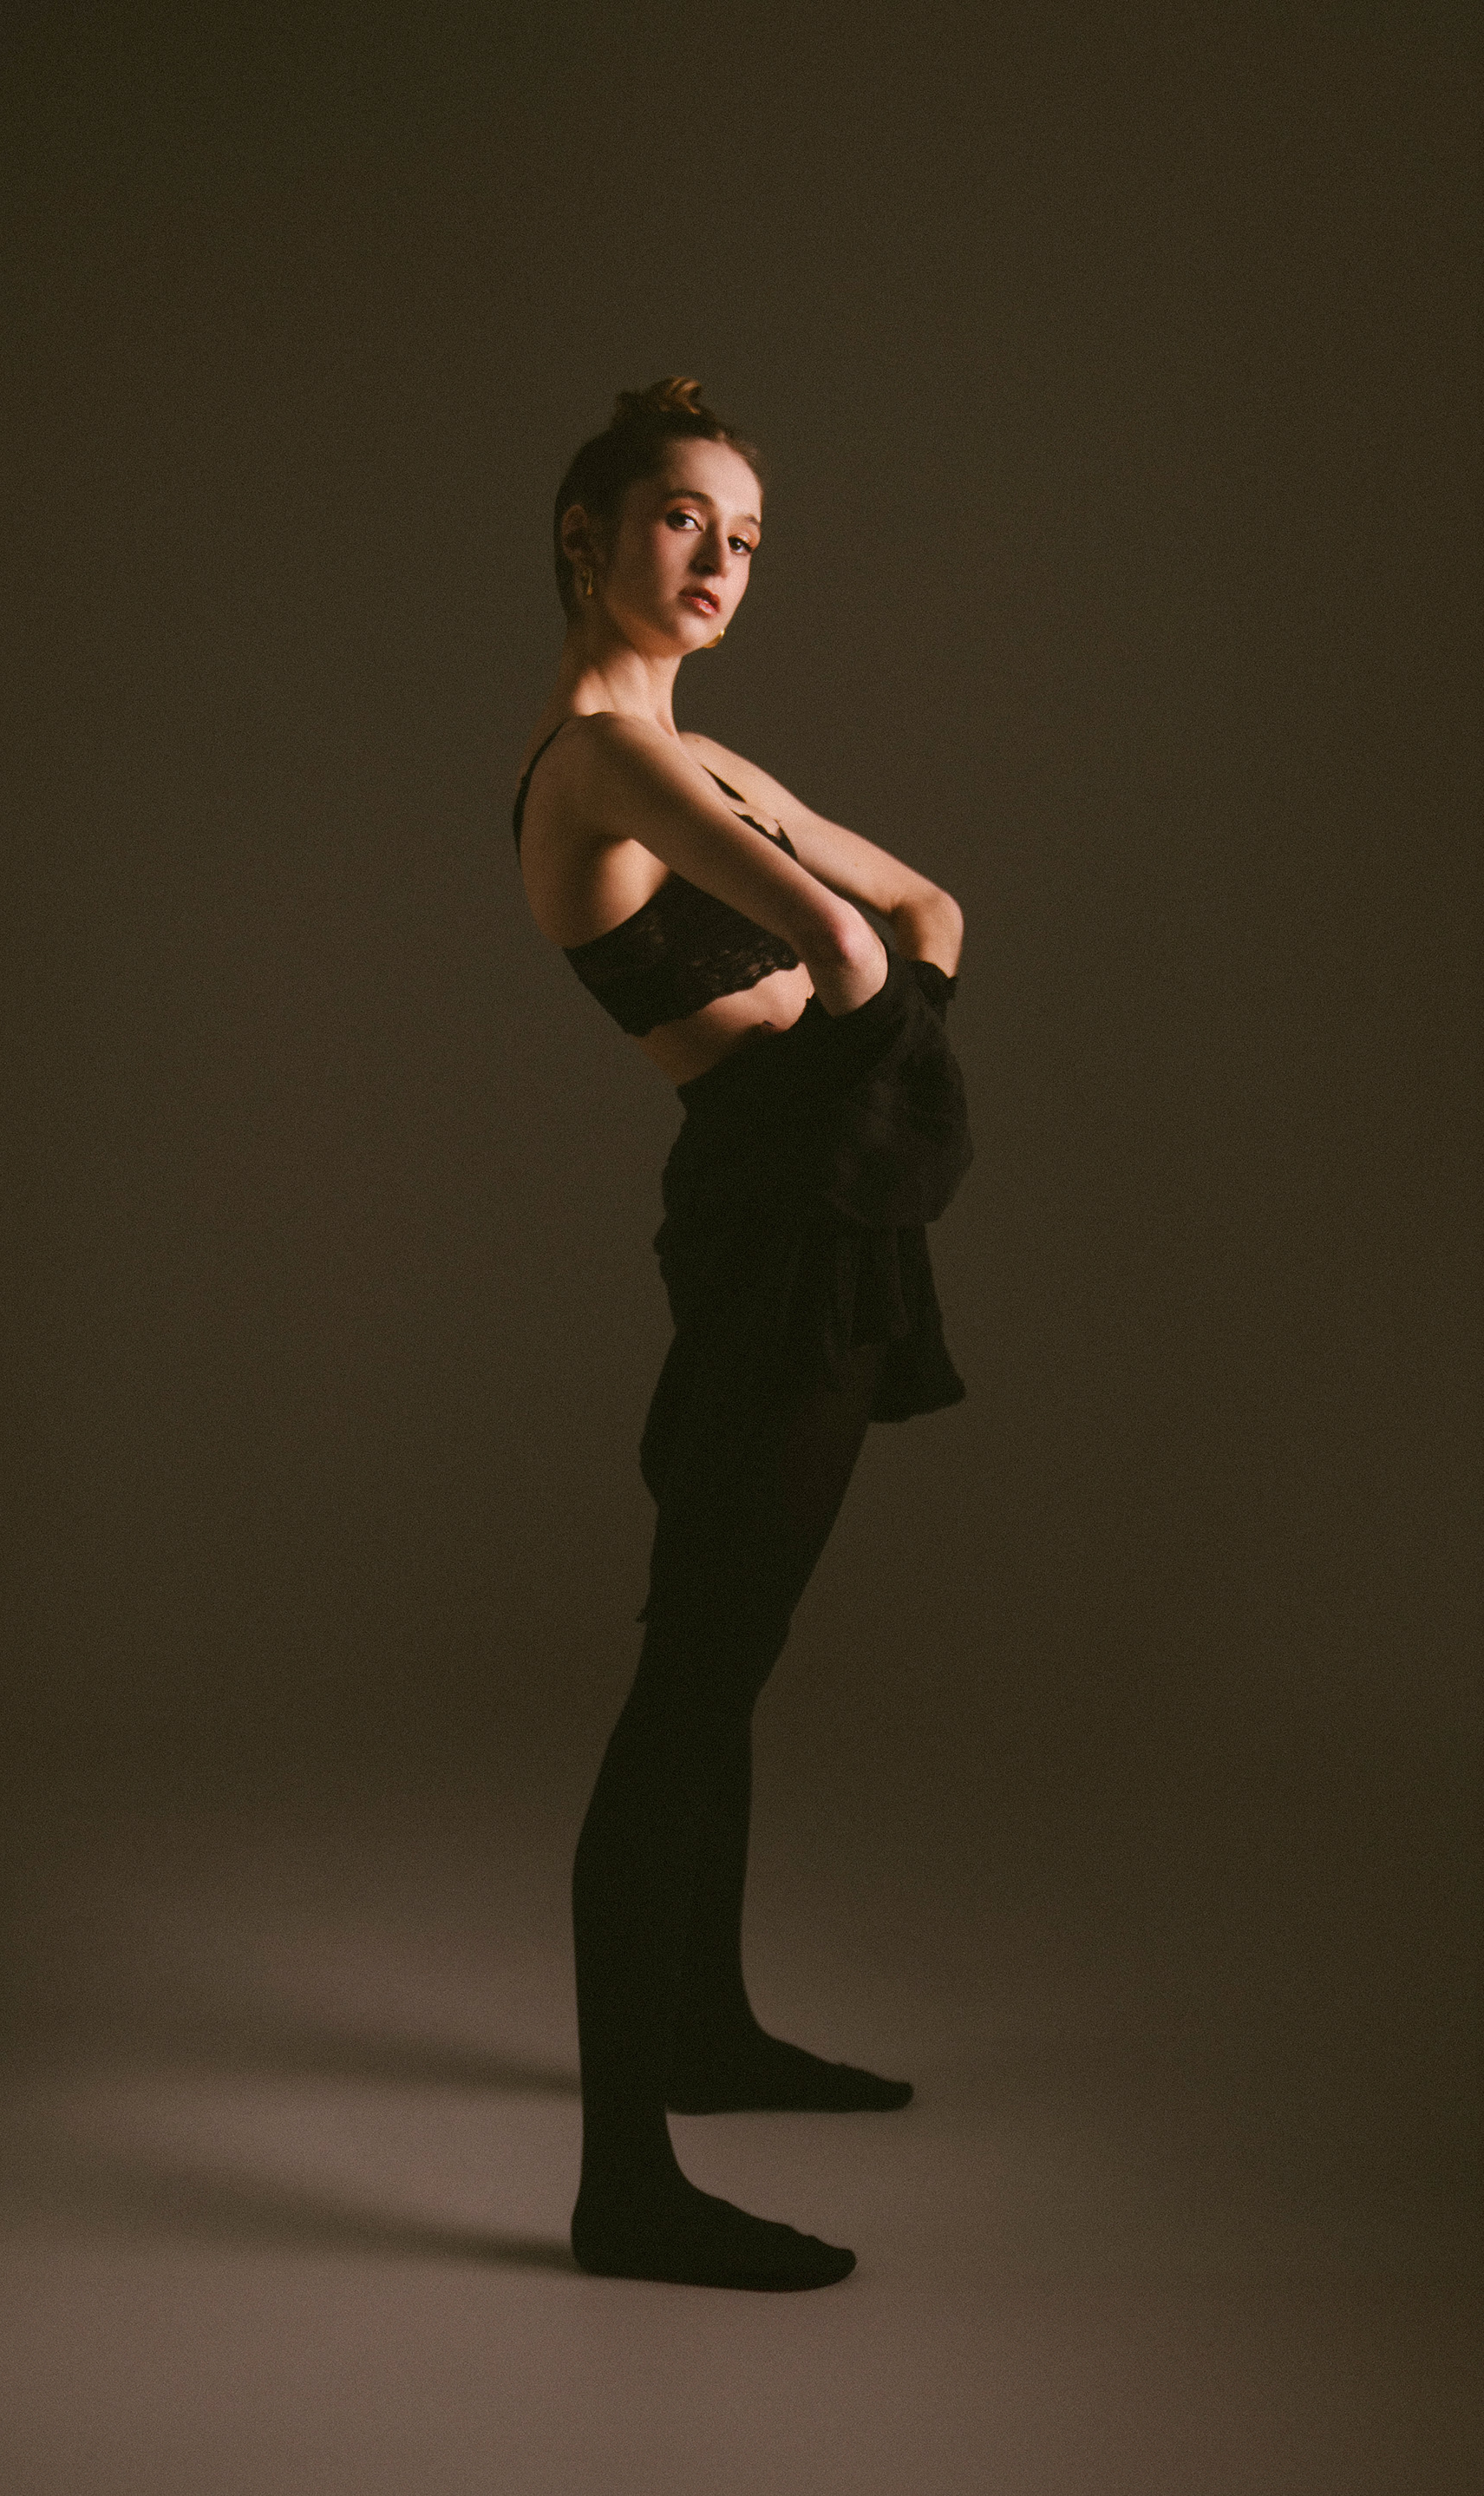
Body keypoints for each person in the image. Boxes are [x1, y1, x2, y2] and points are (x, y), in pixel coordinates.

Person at [512, 379, 974, 2291]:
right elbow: (866, 946)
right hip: (770, 1230)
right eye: (687, 518)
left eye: (749, 537)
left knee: (733, 1645)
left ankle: (703, 2024)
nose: (722, 559)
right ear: (591, 536)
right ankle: (624, 2182)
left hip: (810, 1205)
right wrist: (880, 1043)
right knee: (695, 1671)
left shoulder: (704, 757)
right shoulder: (606, 763)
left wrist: (869, 1052)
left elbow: (935, 901)